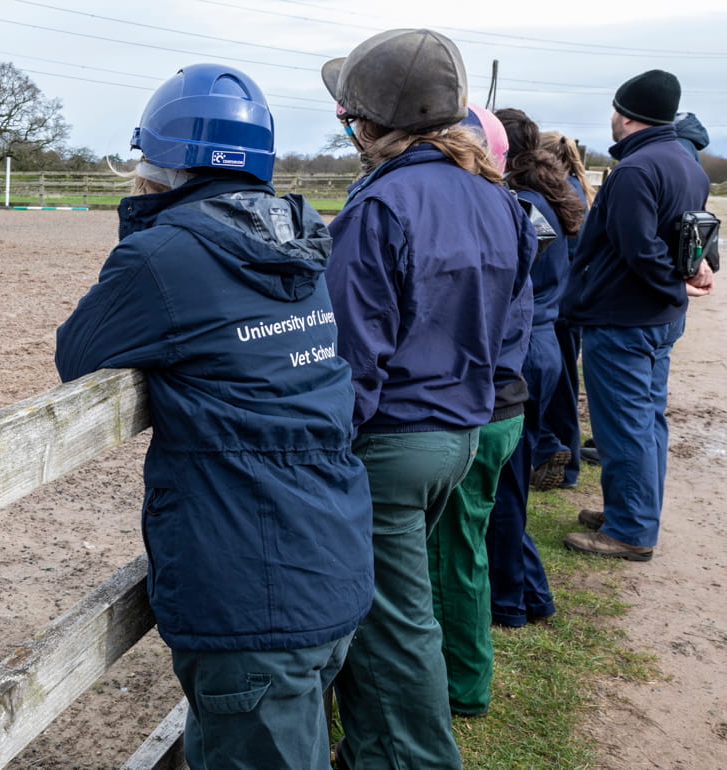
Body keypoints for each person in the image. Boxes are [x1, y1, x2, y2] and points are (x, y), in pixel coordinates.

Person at [55, 64, 373, 769]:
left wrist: (144, 225)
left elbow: (77, 353)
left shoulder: (165, 254)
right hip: (328, 558)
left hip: (248, 589)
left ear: (161, 160)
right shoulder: (302, 239)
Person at [320, 29, 534, 768]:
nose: (346, 130)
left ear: (373, 121)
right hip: (461, 432)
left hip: (391, 441)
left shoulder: (378, 206)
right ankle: (377, 746)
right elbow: (511, 324)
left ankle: (410, 756)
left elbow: (352, 356)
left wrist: (323, 448)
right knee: (402, 610)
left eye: (349, 117)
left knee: (393, 623)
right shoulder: (496, 198)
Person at [561, 70, 712, 561]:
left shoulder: (635, 170)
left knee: (622, 426)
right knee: (647, 421)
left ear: (625, 114)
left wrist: (675, 278)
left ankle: (629, 529)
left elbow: (638, 250)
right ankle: (633, 510)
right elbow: (697, 235)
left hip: (624, 318)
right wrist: (689, 274)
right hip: (661, 318)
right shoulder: (690, 166)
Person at [426, 102, 534, 718]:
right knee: (464, 548)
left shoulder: (462, 223)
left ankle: (462, 685)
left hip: (479, 410)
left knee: (454, 558)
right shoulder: (506, 216)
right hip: (502, 403)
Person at [486, 108, 586, 631]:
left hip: (523, 349)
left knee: (504, 487)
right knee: (512, 481)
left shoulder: (519, 206)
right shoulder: (550, 199)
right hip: (546, 343)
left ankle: (513, 598)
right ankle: (526, 593)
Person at [534, 131, 594, 489]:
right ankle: (558, 455)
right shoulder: (577, 189)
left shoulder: (554, 194)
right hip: (570, 304)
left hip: (556, 305)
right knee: (565, 387)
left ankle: (553, 451)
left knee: (557, 390)